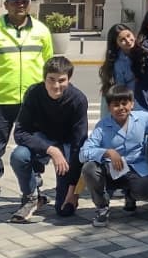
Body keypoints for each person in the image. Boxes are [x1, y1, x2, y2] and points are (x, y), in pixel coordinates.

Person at [0, 0, 53, 214]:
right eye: (16, 1)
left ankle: (34, 189)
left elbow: (48, 64)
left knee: (34, 147)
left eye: (25, 1)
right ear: (6, 5)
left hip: (32, 101)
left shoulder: (41, 30)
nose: (21, 5)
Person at [9, 56, 88, 222]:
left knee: (64, 211)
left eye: (61, 80)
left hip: (67, 143)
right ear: (44, 78)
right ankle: (32, 197)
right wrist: (51, 150)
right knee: (19, 155)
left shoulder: (78, 99)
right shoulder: (33, 93)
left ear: (69, 79)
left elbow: (79, 145)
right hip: (42, 140)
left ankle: (66, 194)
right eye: (51, 79)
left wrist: (73, 190)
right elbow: (20, 132)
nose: (56, 85)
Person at [79, 85, 148, 228]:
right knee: (89, 168)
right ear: (109, 107)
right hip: (110, 171)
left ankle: (131, 195)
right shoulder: (102, 126)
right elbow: (83, 153)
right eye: (116, 105)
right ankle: (102, 207)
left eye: (124, 103)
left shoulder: (142, 118)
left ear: (132, 104)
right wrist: (107, 152)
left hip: (135, 168)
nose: (121, 108)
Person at [99, 24, 138, 99]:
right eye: (122, 40)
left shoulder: (145, 50)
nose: (128, 41)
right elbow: (121, 90)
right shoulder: (118, 64)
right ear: (116, 44)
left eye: (128, 35)